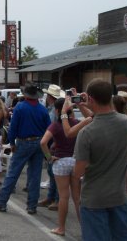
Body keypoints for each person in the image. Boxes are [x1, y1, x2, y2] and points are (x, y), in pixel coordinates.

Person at [72, 79, 127, 240]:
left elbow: (78, 171)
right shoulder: (125, 123)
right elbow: (107, 117)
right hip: (118, 197)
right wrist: (89, 104)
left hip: (94, 199)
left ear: (91, 99)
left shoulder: (86, 133)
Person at [0, 84, 51, 214]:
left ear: (25, 95)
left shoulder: (20, 107)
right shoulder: (43, 109)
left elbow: (13, 127)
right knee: (35, 175)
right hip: (39, 141)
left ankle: (1, 202)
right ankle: (32, 206)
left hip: (24, 142)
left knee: (13, 172)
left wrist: (12, 142)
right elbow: (49, 128)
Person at [40, 97, 86, 236]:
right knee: (77, 197)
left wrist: (49, 158)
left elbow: (43, 142)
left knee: (63, 197)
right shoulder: (76, 123)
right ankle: (85, 229)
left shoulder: (54, 125)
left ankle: (61, 228)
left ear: (58, 110)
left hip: (60, 161)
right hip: (74, 160)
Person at [39, 84, 65, 211]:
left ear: (50, 96)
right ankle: (51, 197)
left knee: (55, 172)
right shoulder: (52, 109)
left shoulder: (55, 110)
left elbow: (53, 127)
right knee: (51, 171)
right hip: (51, 142)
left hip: (53, 142)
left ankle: (56, 199)